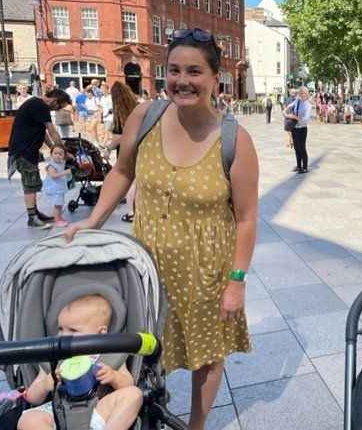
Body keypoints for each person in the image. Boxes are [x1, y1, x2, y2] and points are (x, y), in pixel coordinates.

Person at [65, 28, 258, 430]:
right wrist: (94, 219)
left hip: (207, 272)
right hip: (148, 266)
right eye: (173, 70)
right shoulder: (145, 116)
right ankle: (151, 400)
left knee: (207, 355)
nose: (182, 81)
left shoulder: (234, 140)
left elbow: (246, 219)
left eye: (194, 71)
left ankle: (197, 423)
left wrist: (236, 281)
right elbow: (122, 170)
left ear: (214, 78)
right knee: (147, 347)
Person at [17, 294, 143, 430]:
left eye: (73, 330)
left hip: (98, 407)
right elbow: (31, 397)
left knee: (134, 394)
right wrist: (45, 385)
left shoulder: (109, 354)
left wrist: (113, 376)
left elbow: (128, 383)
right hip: (59, 411)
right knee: (27, 420)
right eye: (60, 329)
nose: (63, 335)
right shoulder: (54, 358)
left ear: (100, 332)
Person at [7, 88, 71, 229]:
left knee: (33, 182)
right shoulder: (40, 105)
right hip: (23, 151)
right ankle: (32, 218)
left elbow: (43, 135)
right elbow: (52, 131)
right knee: (30, 185)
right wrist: (64, 153)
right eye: (59, 106)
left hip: (26, 150)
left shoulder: (37, 105)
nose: (58, 110)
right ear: (54, 100)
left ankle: (35, 213)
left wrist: (54, 149)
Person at [104, 81, 138, 223]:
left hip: (126, 151)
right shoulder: (136, 108)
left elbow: (119, 136)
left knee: (130, 182)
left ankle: (131, 213)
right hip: (140, 148)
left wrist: (108, 149)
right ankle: (137, 211)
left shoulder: (120, 114)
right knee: (137, 182)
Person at [41, 143, 73, 228]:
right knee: (57, 205)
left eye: (60, 154)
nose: (57, 156)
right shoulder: (51, 165)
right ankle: (57, 221)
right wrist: (65, 172)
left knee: (60, 204)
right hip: (54, 188)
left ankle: (59, 218)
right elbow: (53, 175)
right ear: (51, 154)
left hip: (59, 187)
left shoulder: (61, 162)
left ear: (64, 155)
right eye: (55, 153)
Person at [286, 87, 311, 174]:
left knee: (302, 148)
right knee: (296, 148)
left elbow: (305, 119)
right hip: (295, 127)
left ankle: (304, 167)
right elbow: (290, 106)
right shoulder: (297, 101)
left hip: (302, 129)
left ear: (306, 94)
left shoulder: (307, 104)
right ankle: (298, 166)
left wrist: (295, 117)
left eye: (301, 93)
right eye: (299, 93)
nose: (299, 94)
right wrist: (287, 111)